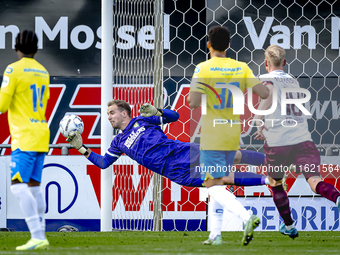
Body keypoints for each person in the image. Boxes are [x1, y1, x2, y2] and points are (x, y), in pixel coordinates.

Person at [66, 100, 269, 189]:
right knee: (223, 178)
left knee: (232, 155)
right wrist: (82, 149)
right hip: (174, 171)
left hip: (184, 152)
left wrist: (158, 112)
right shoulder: (117, 142)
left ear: (124, 113)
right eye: (108, 114)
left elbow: (176, 116)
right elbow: (103, 163)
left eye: (112, 112)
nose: (108, 117)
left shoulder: (141, 120)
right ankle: (268, 180)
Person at [188, 26, 269, 245]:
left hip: (213, 133)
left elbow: (193, 102)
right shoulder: (241, 67)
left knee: (212, 185)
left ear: (208, 45)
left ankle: (246, 217)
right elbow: (264, 93)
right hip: (233, 132)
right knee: (219, 183)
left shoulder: (203, 67)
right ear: (229, 45)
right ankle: (215, 235)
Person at [254, 44, 340, 239]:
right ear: (285, 62)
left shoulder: (267, 79)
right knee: (315, 181)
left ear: (266, 63)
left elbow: (267, 95)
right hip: (303, 141)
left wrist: (258, 120)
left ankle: (289, 226)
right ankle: (337, 198)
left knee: (276, 183)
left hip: (278, 143)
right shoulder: (293, 81)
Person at [0, 30, 50, 250]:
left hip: (24, 136)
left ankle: (38, 236)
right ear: (37, 49)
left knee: (18, 187)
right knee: (34, 187)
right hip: (41, 132)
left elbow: (2, 105)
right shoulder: (43, 71)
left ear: (15, 48)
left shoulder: (13, 69)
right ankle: (42, 233)